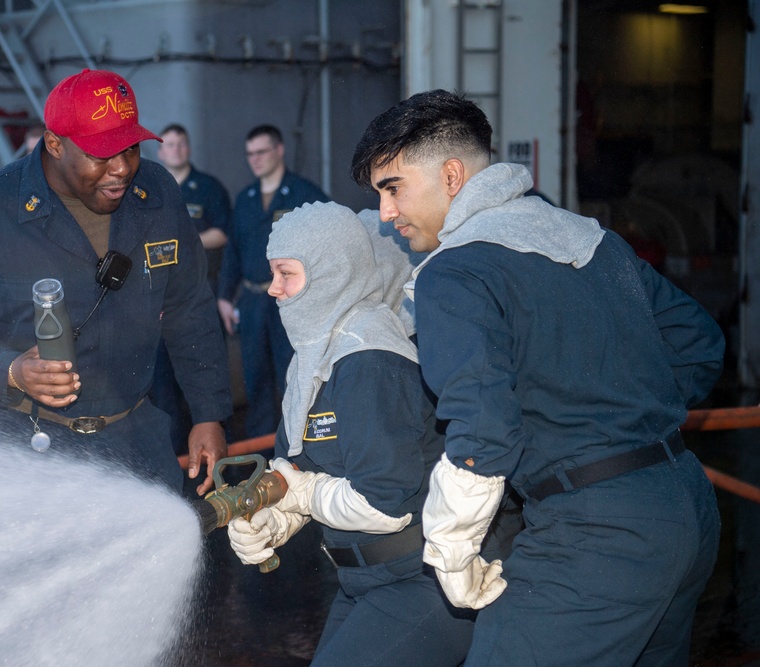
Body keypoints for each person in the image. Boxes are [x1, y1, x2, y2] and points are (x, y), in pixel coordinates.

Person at [350, 89, 724, 665]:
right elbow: (698, 344)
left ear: (451, 175)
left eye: (392, 188)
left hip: (594, 537)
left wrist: (451, 548)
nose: (385, 214)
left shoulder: (454, 272)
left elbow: (483, 430)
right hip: (685, 507)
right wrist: (624, 419)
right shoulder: (591, 240)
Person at [0, 69, 231, 495]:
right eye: (100, 154)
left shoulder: (158, 193)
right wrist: (11, 370)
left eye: (130, 148)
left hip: (133, 442)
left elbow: (189, 306)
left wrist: (207, 413)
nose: (122, 169)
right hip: (25, 448)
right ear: (54, 144)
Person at [226, 201, 477, 665]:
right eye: (273, 275)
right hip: (363, 579)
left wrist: (302, 497)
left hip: (419, 583)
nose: (274, 290)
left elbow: (384, 504)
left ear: (331, 274)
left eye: (287, 275)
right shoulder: (312, 355)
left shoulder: (369, 358)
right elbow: (301, 469)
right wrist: (276, 519)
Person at [217, 125, 328, 438]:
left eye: (261, 151)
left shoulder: (304, 194)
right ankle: (259, 460)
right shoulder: (246, 198)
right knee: (256, 382)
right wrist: (225, 296)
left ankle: (299, 454)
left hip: (291, 303)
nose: (255, 159)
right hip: (252, 303)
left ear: (279, 150)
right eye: (250, 153)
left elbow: (330, 239)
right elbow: (233, 251)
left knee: (294, 378)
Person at [150, 123, 232, 452]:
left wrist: (179, 245)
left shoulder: (208, 187)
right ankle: (177, 462)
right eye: (169, 145)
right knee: (163, 388)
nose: (176, 150)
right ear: (160, 151)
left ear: (189, 148)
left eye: (181, 144)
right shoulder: (151, 189)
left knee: (203, 383)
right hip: (158, 300)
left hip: (200, 293)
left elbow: (224, 233)